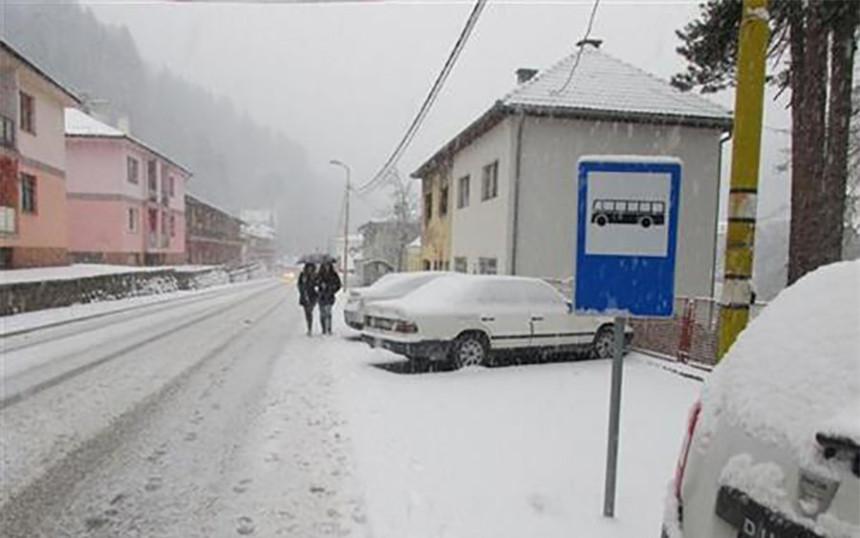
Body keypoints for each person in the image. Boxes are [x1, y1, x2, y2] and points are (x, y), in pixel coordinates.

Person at [316, 261, 342, 335]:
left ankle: (329, 329)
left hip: (329, 296)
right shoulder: (319, 275)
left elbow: (338, 285)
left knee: (328, 312)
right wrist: (320, 284)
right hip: (321, 296)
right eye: (325, 266)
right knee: (322, 313)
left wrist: (332, 289)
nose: (326, 267)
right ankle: (323, 329)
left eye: (328, 266)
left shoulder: (333, 275)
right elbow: (315, 283)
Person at [298, 263, 318, 336]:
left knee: (309, 311)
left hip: (313, 296)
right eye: (308, 267)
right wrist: (302, 288)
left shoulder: (315, 275)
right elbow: (299, 285)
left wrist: (315, 284)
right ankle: (309, 328)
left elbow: (317, 284)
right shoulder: (303, 275)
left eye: (311, 267)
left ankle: (310, 328)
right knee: (307, 313)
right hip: (305, 296)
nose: (309, 269)